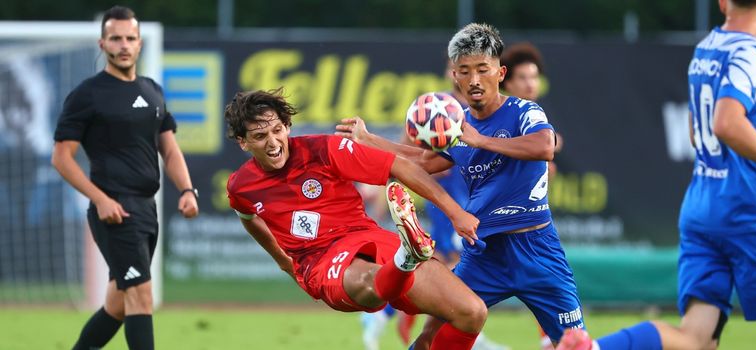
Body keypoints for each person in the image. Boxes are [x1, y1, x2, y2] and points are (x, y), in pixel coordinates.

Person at [558, 0, 756, 349]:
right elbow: (726, 124)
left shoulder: (707, 48)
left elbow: (700, 134)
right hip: (744, 208)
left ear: (723, 2)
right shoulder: (753, 53)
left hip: (701, 205)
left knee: (695, 338)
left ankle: (594, 348)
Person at [336, 23, 585, 348]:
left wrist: (481, 140)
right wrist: (369, 140)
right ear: (455, 76)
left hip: (537, 249)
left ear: (500, 73)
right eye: (465, 71)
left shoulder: (523, 110)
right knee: (431, 336)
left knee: (575, 343)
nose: (474, 79)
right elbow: (423, 161)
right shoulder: (456, 124)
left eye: (483, 69)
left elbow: (544, 146)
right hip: (483, 256)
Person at [224, 88, 487, 350]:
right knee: (370, 283)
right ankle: (406, 259)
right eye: (260, 136)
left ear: (287, 127)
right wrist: (284, 262)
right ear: (243, 142)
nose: (272, 142)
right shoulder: (241, 186)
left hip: (368, 236)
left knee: (471, 312)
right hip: (321, 260)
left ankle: (405, 259)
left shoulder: (323, 149)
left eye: (277, 130)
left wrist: (456, 213)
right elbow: (248, 216)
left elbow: (400, 165)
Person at [51, 6, 199, 350]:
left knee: (117, 305)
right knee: (141, 297)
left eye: (130, 38)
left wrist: (187, 189)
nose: (123, 45)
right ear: (102, 44)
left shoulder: (152, 90)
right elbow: (61, 157)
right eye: (115, 38)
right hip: (116, 211)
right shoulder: (88, 94)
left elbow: (170, 150)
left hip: (146, 210)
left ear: (140, 43)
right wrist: (101, 199)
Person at [501, 42, 563, 181]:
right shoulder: (502, 114)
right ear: (508, 83)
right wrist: (545, 142)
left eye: (534, 77)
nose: (530, 84)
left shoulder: (535, 113)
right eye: (522, 77)